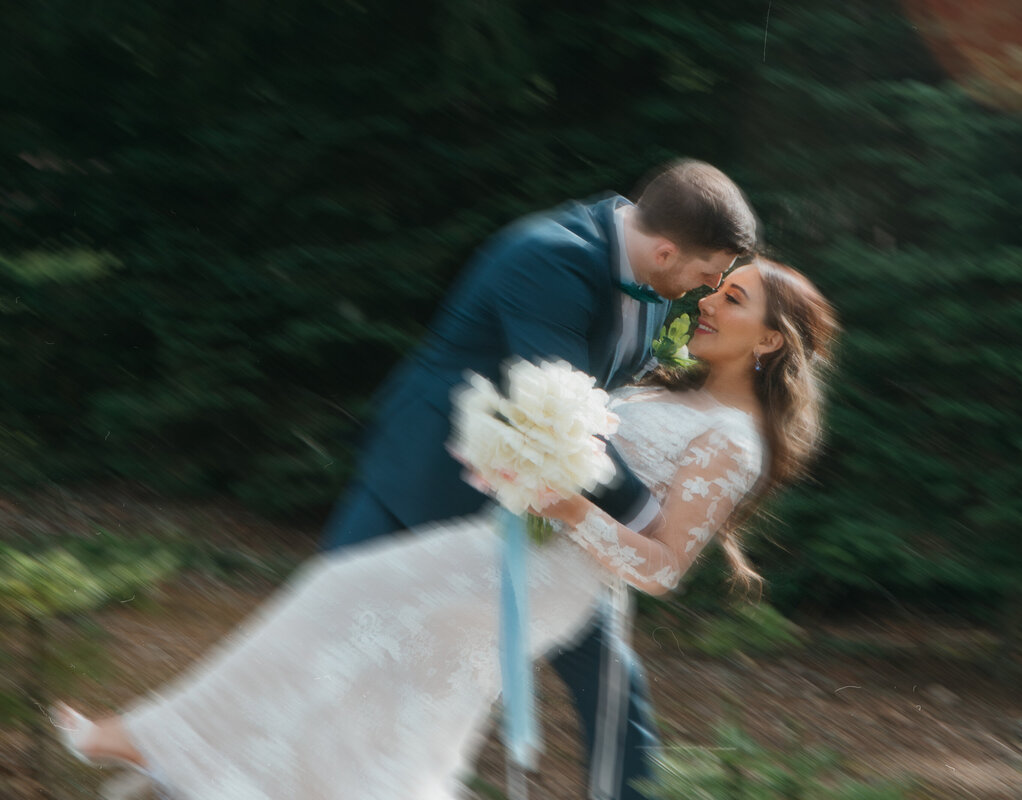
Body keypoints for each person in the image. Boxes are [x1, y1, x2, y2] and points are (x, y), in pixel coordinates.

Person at [52, 259, 836, 800]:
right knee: (403, 710)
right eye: (716, 289)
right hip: (512, 548)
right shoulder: (683, 397)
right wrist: (518, 455)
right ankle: (181, 747)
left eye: (733, 300)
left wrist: (561, 502)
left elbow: (662, 569)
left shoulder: (734, 441)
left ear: (770, 342)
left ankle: (156, 738)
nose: (707, 301)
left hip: (547, 577)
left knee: (344, 596)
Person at [320, 158, 756, 800]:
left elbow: (608, 407)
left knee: (607, 678)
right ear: (666, 250)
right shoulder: (548, 258)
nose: (705, 291)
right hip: (427, 482)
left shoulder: (655, 285)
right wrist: (650, 528)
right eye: (706, 275)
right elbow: (564, 422)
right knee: (325, 643)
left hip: (544, 502)